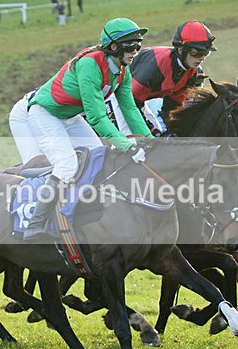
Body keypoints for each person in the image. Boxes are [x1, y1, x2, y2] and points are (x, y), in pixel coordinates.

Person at [19, 17, 153, 241]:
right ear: (114, 47)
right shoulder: (90, 65)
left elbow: (130, 108)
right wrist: (126, 145)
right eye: (130, 46)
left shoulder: (122, 71)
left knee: (98, 157)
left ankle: (84, 210)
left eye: (138, 46)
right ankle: (35, 224)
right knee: (66, 164)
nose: (135, 52)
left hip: (69, 117)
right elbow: (96, 117)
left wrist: (149, 140)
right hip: (45, 114)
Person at [107, 20, 216, 135]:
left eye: (205, 53)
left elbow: (171, 108)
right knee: (136, 143)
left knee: (160, 141)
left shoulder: (192, 73)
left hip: (136, 102)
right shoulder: (155, 66)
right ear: (181, 50)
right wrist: (153, 131)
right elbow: (130, 104)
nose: (201, 58)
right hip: (118, 97)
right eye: (196, 52)